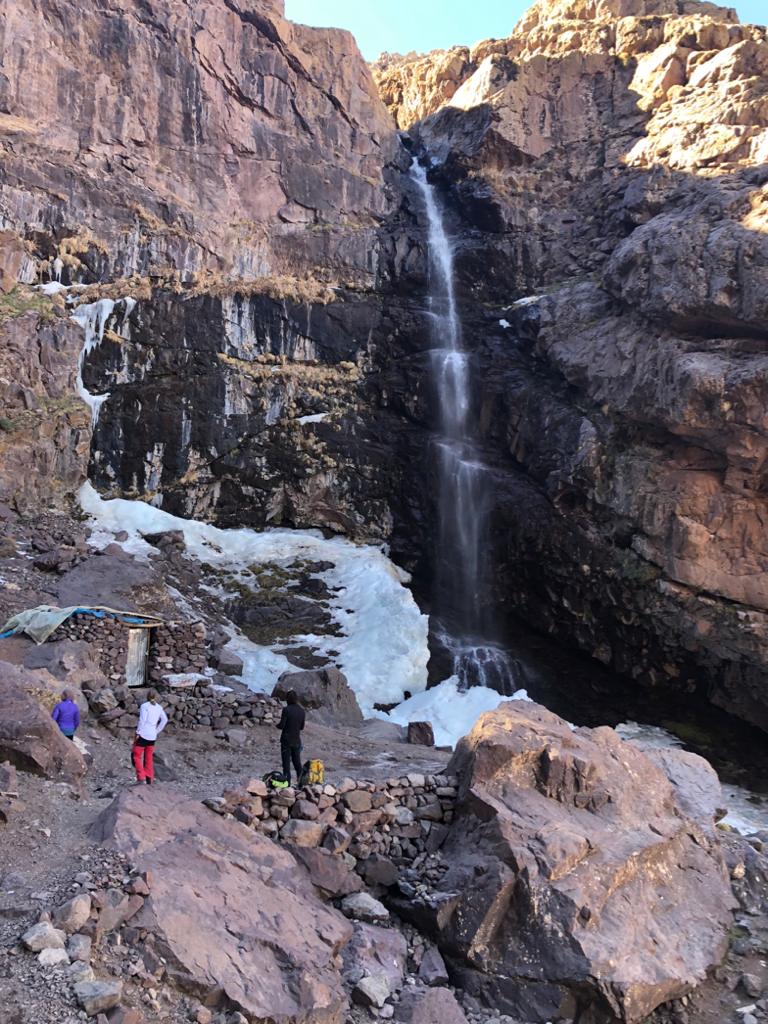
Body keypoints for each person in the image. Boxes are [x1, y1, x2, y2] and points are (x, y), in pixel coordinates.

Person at [132, 689, 168, 786]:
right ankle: (149, 779)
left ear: (147, 696)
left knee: (137, 755)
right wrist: (156, 731)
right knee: (148, 757)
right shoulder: (159, 708)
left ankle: (141, 777)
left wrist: (138, 732)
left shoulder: (144, 706)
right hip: (152, 736)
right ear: (156, 697)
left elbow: (142, 720)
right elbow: (165, 720)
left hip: (143, 734)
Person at [276, 690, 305, 785]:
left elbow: (282, 725)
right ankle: (301, 783)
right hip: (297, 740)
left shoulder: (286, 709)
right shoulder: (302, 711)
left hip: (286, 740)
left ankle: (286, 783)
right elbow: (302, 727)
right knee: (297, 763)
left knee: (286, 763)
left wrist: (276, 725)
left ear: (288, 699)